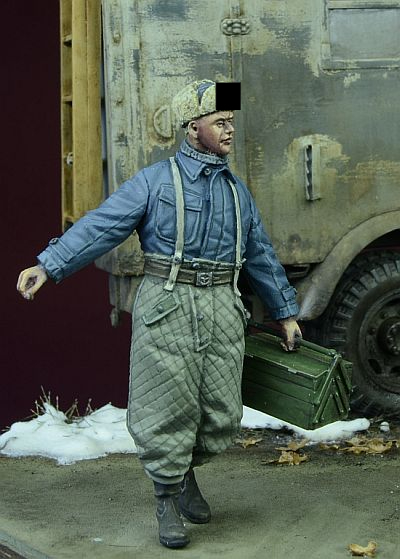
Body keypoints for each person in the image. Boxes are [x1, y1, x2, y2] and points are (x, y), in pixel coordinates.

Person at [17, 79, 302, 549]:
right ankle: (166, 497)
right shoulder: (154, 182)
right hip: (168, 306)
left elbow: (260, 255)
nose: (230, 129)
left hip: (222, 307)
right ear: (192, 128)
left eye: (231, 121)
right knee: (166, 408)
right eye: (219, 122)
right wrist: (49, 265)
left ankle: (185, 472)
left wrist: (285, 312)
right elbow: (101, 226)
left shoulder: (236, 192)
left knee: (221, 414)